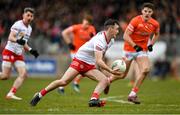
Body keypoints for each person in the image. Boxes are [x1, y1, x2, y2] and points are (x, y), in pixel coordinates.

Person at [30, 19, 121, 107]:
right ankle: (39, 95)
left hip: (89, 64)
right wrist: (110, 70)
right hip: (80, 60)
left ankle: (93, 100)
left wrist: (102, 69)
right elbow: (98, 60)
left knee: (104, 80)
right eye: (116, 29)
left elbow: (101, 55)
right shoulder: (100, 40)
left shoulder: (111, 41)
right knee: (63, 82)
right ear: (110, 29)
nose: (118, 31)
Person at [105, 3, 160, 104]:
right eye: (145, 11)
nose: (147, 13)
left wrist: (151, 44)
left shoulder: (155, 23)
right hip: (129, 50)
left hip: (142, 51)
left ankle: (132, 94)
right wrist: (134, 45)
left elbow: (156, 34)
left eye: (149, 11)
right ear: (142, 11)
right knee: (122, 75)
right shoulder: (135, 20)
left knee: (146, 69)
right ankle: (107, 81)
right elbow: (125, 36)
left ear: (152, 13)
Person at [0, 7, 39, 100]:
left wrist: (30, 50)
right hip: (9, 51)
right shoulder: (18, 24)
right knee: (5, 76)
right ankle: (10, 93)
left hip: (18, 54)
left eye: (31, 16)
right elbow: (10, 37)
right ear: (23, 15)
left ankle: (11, 93)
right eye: (28, 15)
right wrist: (17, 40)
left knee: (23, 74)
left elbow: (24, 42)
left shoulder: (29, 28)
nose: (29, 17)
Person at [58, 14, 96, 94]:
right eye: (85, 23)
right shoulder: (77, 27)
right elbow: (64, 33)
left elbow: (94, 40)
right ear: (83, 21)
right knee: (78, 70)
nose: (85, 25)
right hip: (75, 53)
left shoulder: (92, 29)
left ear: (90, 24)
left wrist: (93, 37)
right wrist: (69, 43)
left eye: (87, 24)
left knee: (82, 70)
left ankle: (73, 83)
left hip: (85, 54)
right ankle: (66, 85)